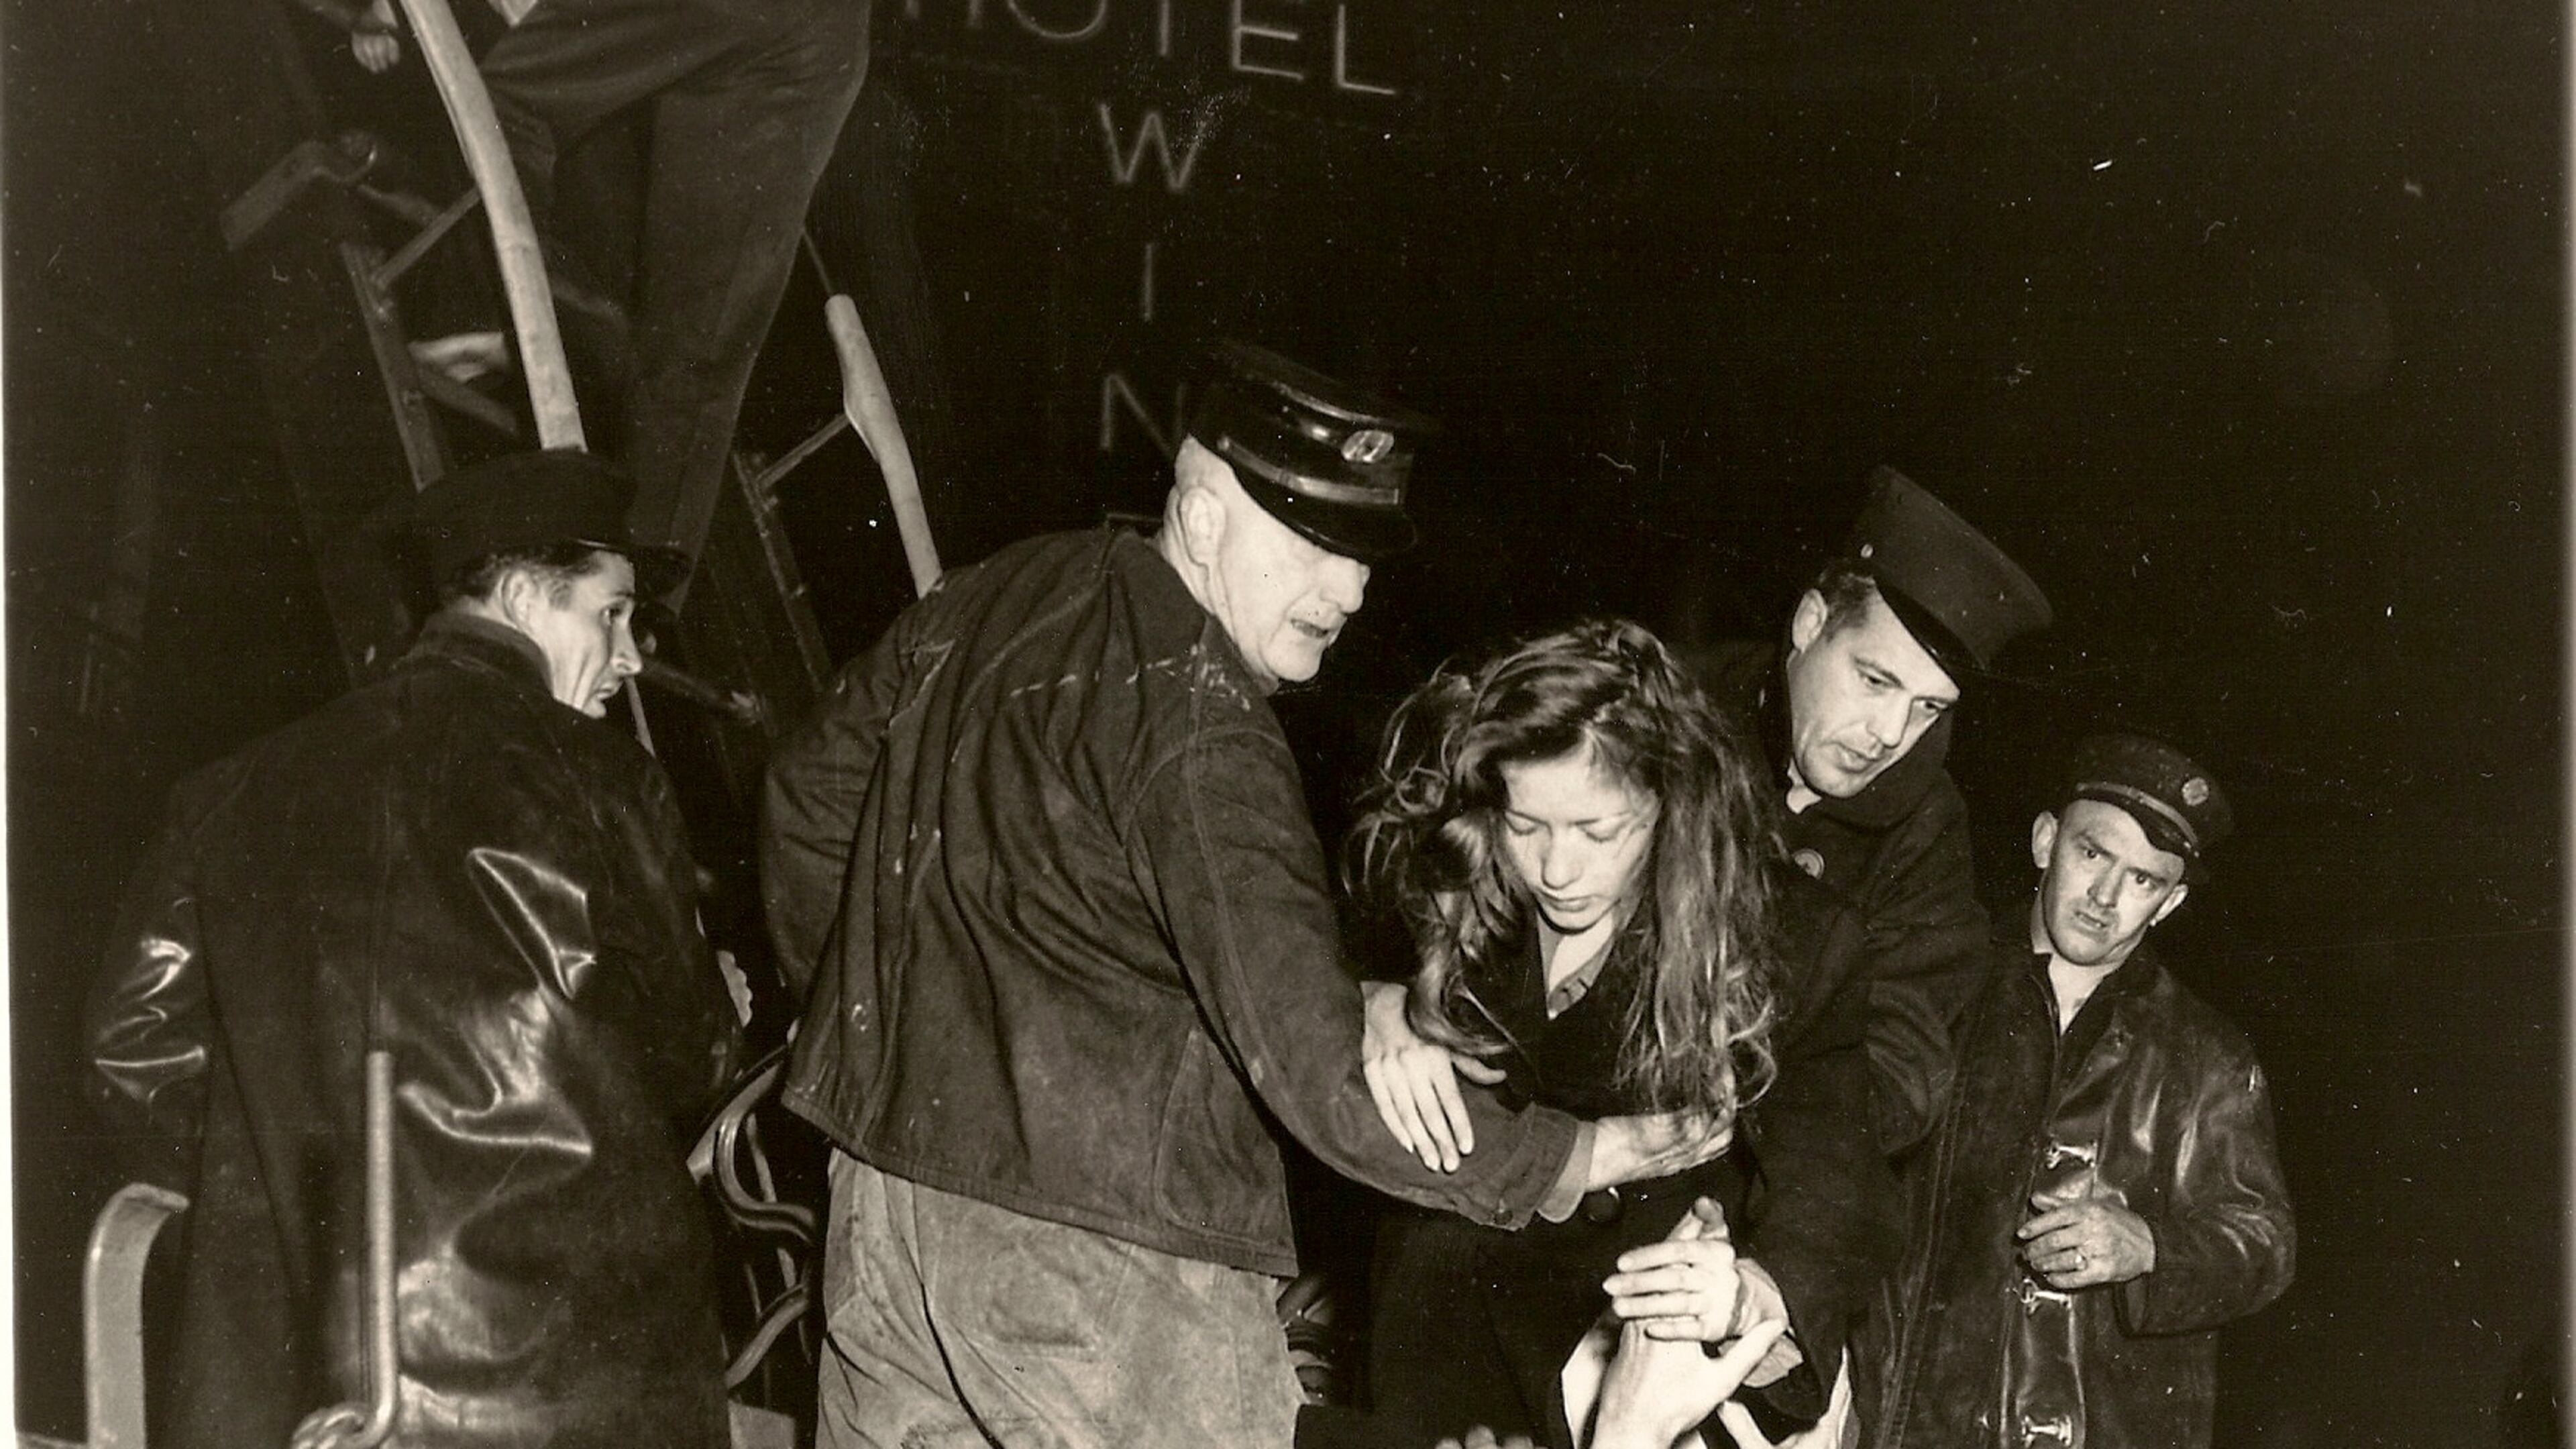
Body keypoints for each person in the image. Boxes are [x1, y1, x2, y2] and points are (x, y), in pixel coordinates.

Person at [760, 342, 1731, 1449]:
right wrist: (1576, 1158)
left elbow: (806, 805)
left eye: (1364, 555)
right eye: (1317, 543)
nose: (1352, 590)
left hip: (882, 1215)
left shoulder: (994, 594)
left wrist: (888, 1028)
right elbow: (1316, 1074)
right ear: (1205, 512)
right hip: (1104, 1272)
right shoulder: (1204, 721)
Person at [83, 449, 748, 1449]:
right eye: (612, 613)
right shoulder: (604, 779)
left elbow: (131, 1048)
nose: (635, 656)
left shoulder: (228, 792)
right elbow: (686, 1060)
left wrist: (303, 1199)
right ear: (523, 594)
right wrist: (723, 1014)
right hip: (560, 1386)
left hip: (296, 1387)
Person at [1351, 619, 1894, 1449]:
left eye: (1600, 833)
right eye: (1526, 826)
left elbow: (1833, 1180)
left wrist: (1752, 1294)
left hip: (1621, 1364)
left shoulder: (1797, 939)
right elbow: (1297, 976)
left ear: (1673, 805)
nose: (1557, 871)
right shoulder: (1451, 863)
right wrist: (1375, 1006)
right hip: (1439, 1350)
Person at [1855, 734, 2296, 1448]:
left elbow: (2264, 1242)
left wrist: (2151, 1246)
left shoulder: (2205, 1055)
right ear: (2045, 841)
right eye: (2092, 854)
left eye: (2143, 880)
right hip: (1898, 1422)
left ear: (2171, 901)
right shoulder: (1931, 992)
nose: (2106, 897)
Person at [337, 0, 873, 576]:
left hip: (790, 38)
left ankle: (519, 324)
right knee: (699, 350)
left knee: (496, 104)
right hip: (820, 41)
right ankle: (638, 611)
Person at [1678, 466, 2053, 1153]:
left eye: (1929, 708)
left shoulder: (1927, 829)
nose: (1889, 734)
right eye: (1875, 680)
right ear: (1810, 622)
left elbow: (1898, 1077)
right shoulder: (1666, 716)